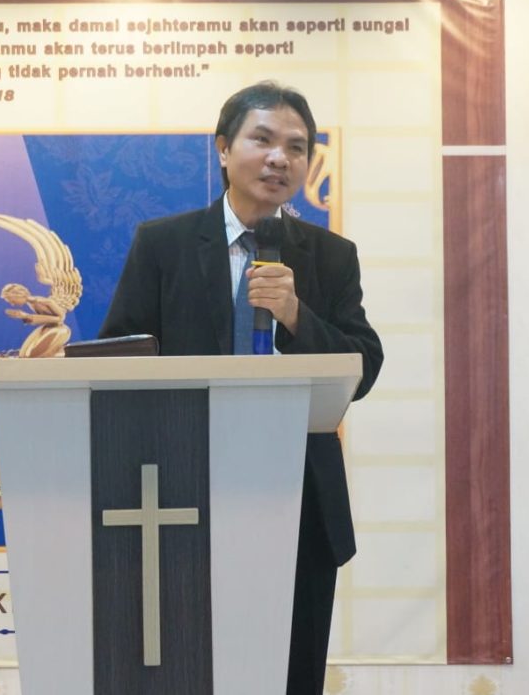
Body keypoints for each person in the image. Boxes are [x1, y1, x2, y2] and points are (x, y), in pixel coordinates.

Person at [99, 81, 384, 693]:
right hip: (177, 493)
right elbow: (118, 355)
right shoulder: (164, 244)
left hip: (297, 498)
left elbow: (363, 366)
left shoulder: (331, 256)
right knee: (184, 668)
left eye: (297, 147)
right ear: (224, 149)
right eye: (263, 140)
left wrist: (296, 316)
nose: (280, 158)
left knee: (289, 673)